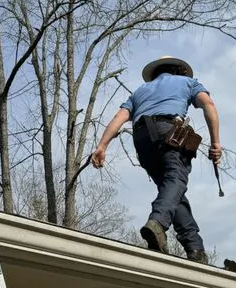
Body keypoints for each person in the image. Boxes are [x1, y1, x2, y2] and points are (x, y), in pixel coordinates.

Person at [90, 55, 222, 264]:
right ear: (178, 70)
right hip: (168, 132)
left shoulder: (139, 92)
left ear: (156, 73)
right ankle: (158, 223)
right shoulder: (188, 82)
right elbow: (209, 105)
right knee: (176, 180)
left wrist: (102, 146)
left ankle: (195, 248)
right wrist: (216, 143)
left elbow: (119, 118)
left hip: (141, 141)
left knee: (171, 189)